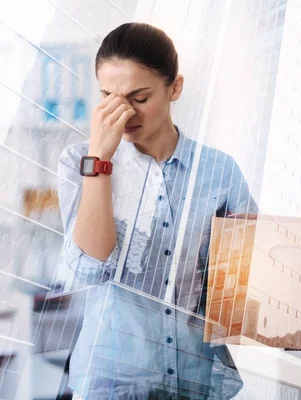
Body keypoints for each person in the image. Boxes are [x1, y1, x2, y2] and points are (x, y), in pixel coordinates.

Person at [56, 22, 257, 399]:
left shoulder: (218, 171)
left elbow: (245, 288)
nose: (122, 113)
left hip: (195, 380)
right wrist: (100, 159)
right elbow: (92, 264)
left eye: (139, 97)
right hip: (113, 383)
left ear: (174, 88)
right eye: (108, 97)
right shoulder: (77, 162)